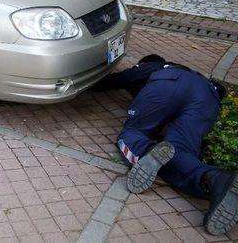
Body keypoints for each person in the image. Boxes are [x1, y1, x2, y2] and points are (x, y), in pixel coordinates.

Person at [97, 55, 237, 236]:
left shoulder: (155, 66)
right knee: (181, 150)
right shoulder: (194, 75)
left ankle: (147, 151)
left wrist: (83, 85)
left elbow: (121, 78)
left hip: (169, 83)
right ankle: (216, 179)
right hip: (207, 96)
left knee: (132, 133)